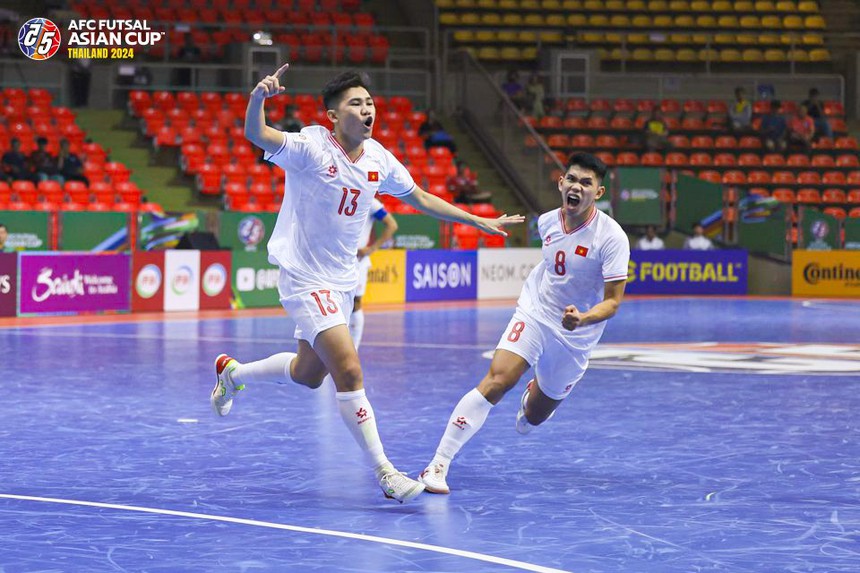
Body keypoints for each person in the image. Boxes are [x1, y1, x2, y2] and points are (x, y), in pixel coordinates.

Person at [210, 66, 523, 503]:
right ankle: (386, 472)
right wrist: (258, 98)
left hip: (341, 281)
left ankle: (233, 373)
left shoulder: (378, 158)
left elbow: (420, 197)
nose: (367, 109)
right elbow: (257, 134)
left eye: (370, 103)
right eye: (355, 103)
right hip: (305, 277)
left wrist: (475, 219)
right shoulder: (311, 146)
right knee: (350, 370)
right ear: (333, 116)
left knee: (308, 374)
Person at [417, 152, 629, 495]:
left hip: (576, 335)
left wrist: (583, 318)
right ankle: (438, 464)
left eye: (586, 183)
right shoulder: (546, 222)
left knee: (534, 416)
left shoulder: (612, 238)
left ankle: (535, 395)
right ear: (561, 183)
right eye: (572, 179)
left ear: (598, 192)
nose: (577, 187)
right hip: (536, 312)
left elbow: (614, 301)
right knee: (498, 380)